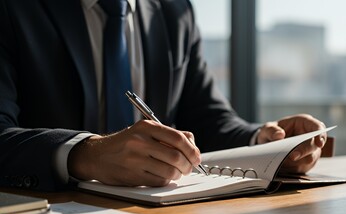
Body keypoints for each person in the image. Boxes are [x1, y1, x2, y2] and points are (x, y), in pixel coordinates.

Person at [0, 0, 327, 191]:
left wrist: (267, 142)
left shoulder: (175, 11)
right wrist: (86, 154)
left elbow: (208, 118)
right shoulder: (14, 9)